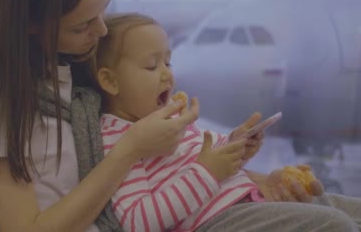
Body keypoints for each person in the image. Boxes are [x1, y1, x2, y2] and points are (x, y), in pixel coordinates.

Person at [0, 0, 361, 232]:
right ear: (32, 25)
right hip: (170, 218)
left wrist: (251, 178)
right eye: (84, 24)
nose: (101, 32)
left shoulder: (73, 69)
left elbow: (168, 168)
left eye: (103, 11)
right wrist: (129, 151)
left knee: (346, 210)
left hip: (206, 201)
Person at [91, 12, 361, 231]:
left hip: (245, 199)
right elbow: (138, 222)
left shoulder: (168, 116)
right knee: (333, 225)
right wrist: (208, 172)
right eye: (152, 66)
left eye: (168, 63)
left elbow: (205, 157)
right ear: (110, 81)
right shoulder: (118, 140)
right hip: (217, 220)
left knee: (329, 202)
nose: (167, 76)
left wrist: (235, 147)